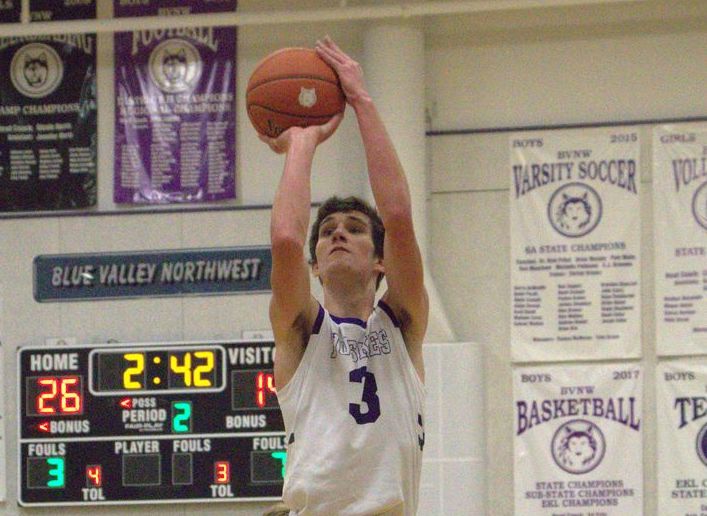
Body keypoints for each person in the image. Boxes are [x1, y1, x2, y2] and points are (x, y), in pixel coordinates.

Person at [261, 36, 428, 516]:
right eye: (328, 231)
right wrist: (301, 143)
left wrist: (362, 100)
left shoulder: (403, 324)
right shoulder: (300, 332)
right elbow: (286, 240)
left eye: (355, 230)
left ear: (381, 261)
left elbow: (397, 216)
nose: (338, 235)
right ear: (314, 266)